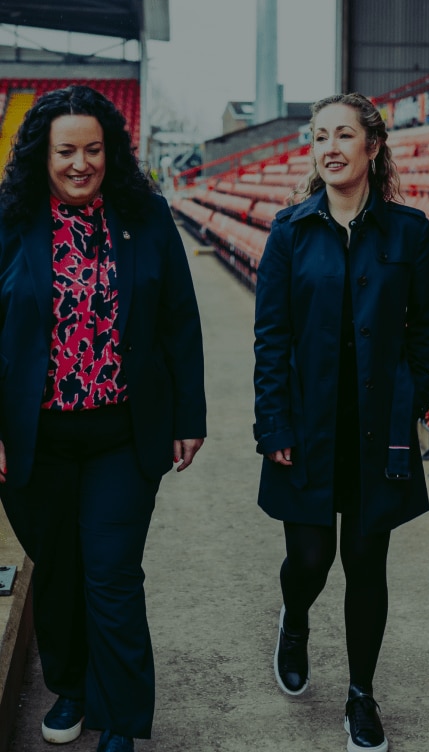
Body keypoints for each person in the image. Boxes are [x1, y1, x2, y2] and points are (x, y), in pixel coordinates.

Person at [0, 85, 206, 752]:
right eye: (66, 151)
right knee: (58, 571)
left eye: (93, 149)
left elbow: (179, 318)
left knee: (112, 573)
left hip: (122, 432)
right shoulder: (10, 218)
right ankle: (73, 688)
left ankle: (121, 718)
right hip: (35, 438)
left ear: (111, 150)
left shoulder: (146, 215)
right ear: (43, 154)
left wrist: (189, 414)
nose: (80, 163)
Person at [253, 92, 429, 752]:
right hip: (306, 425)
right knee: (310, 558)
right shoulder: (289, 231)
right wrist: (273, 425)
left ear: (373, 145)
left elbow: (426, 328)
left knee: (366, 562)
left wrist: (411, 398)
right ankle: (295, 618)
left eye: (342, 134)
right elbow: (271, 338)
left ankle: (361, 694)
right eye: (319, 136)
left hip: (376, 429)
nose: (329, 147)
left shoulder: (409, 231)